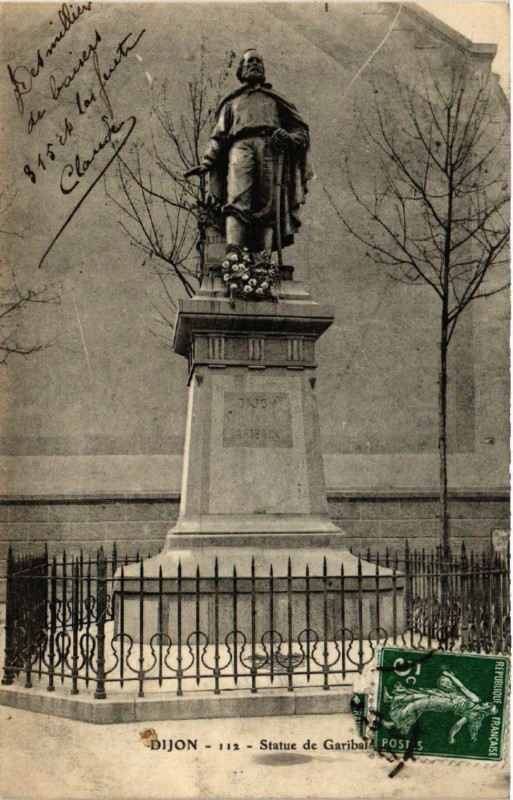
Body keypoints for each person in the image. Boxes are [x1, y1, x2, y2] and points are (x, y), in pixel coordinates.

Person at [185, 49, 312, 259]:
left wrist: (289, 138)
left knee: (268, 202)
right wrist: (207, 161)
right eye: (249, 61)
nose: (254, 64)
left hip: (270, 147)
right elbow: (218, 136)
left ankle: (264, 257)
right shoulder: (232, 102)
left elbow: (301, 131)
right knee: (237, 196)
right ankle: (233, 252)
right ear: (241, 70)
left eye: (258, 61)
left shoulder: (275, 100)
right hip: (240, 147)